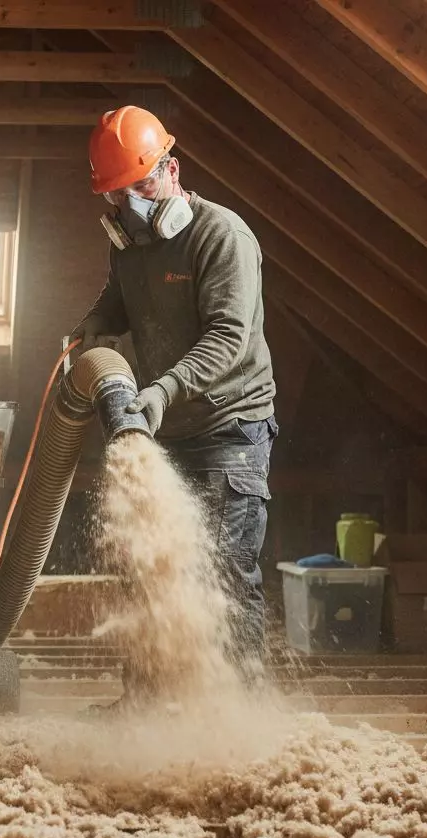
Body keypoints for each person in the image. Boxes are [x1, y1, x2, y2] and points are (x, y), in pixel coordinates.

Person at [71, 105, 278, 664]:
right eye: (117, 194)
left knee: (229, 578)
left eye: (141, 184)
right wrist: (98, 321)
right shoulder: (129, 244)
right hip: (165, 428)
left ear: (173, 170)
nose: (131, 204)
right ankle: (146, 705)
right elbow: (120, 295)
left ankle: (243, 713)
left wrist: (161, 390)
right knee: (149, 570)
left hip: (229, 428)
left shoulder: (222, 236)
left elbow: (228, 336)